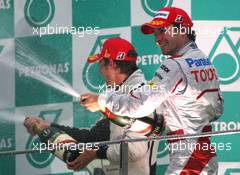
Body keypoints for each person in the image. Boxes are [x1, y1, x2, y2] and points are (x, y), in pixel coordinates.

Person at [80, 7, 224, 175]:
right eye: (155, 34)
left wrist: (101, 100)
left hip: (188, 160)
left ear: (183, 30)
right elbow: (217, 110)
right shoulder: (203, 60)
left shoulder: (175, 65)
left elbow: (139, 105)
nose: (157, 39)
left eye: (162, 31)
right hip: (205, 156)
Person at [24, 37, 160, 175]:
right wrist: (49, 127)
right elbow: (93, 137)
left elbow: (134, 150)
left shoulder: (140, 97)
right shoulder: (120, 95)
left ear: (111, 64)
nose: (100, 71)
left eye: (100, 64)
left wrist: (95, 153)